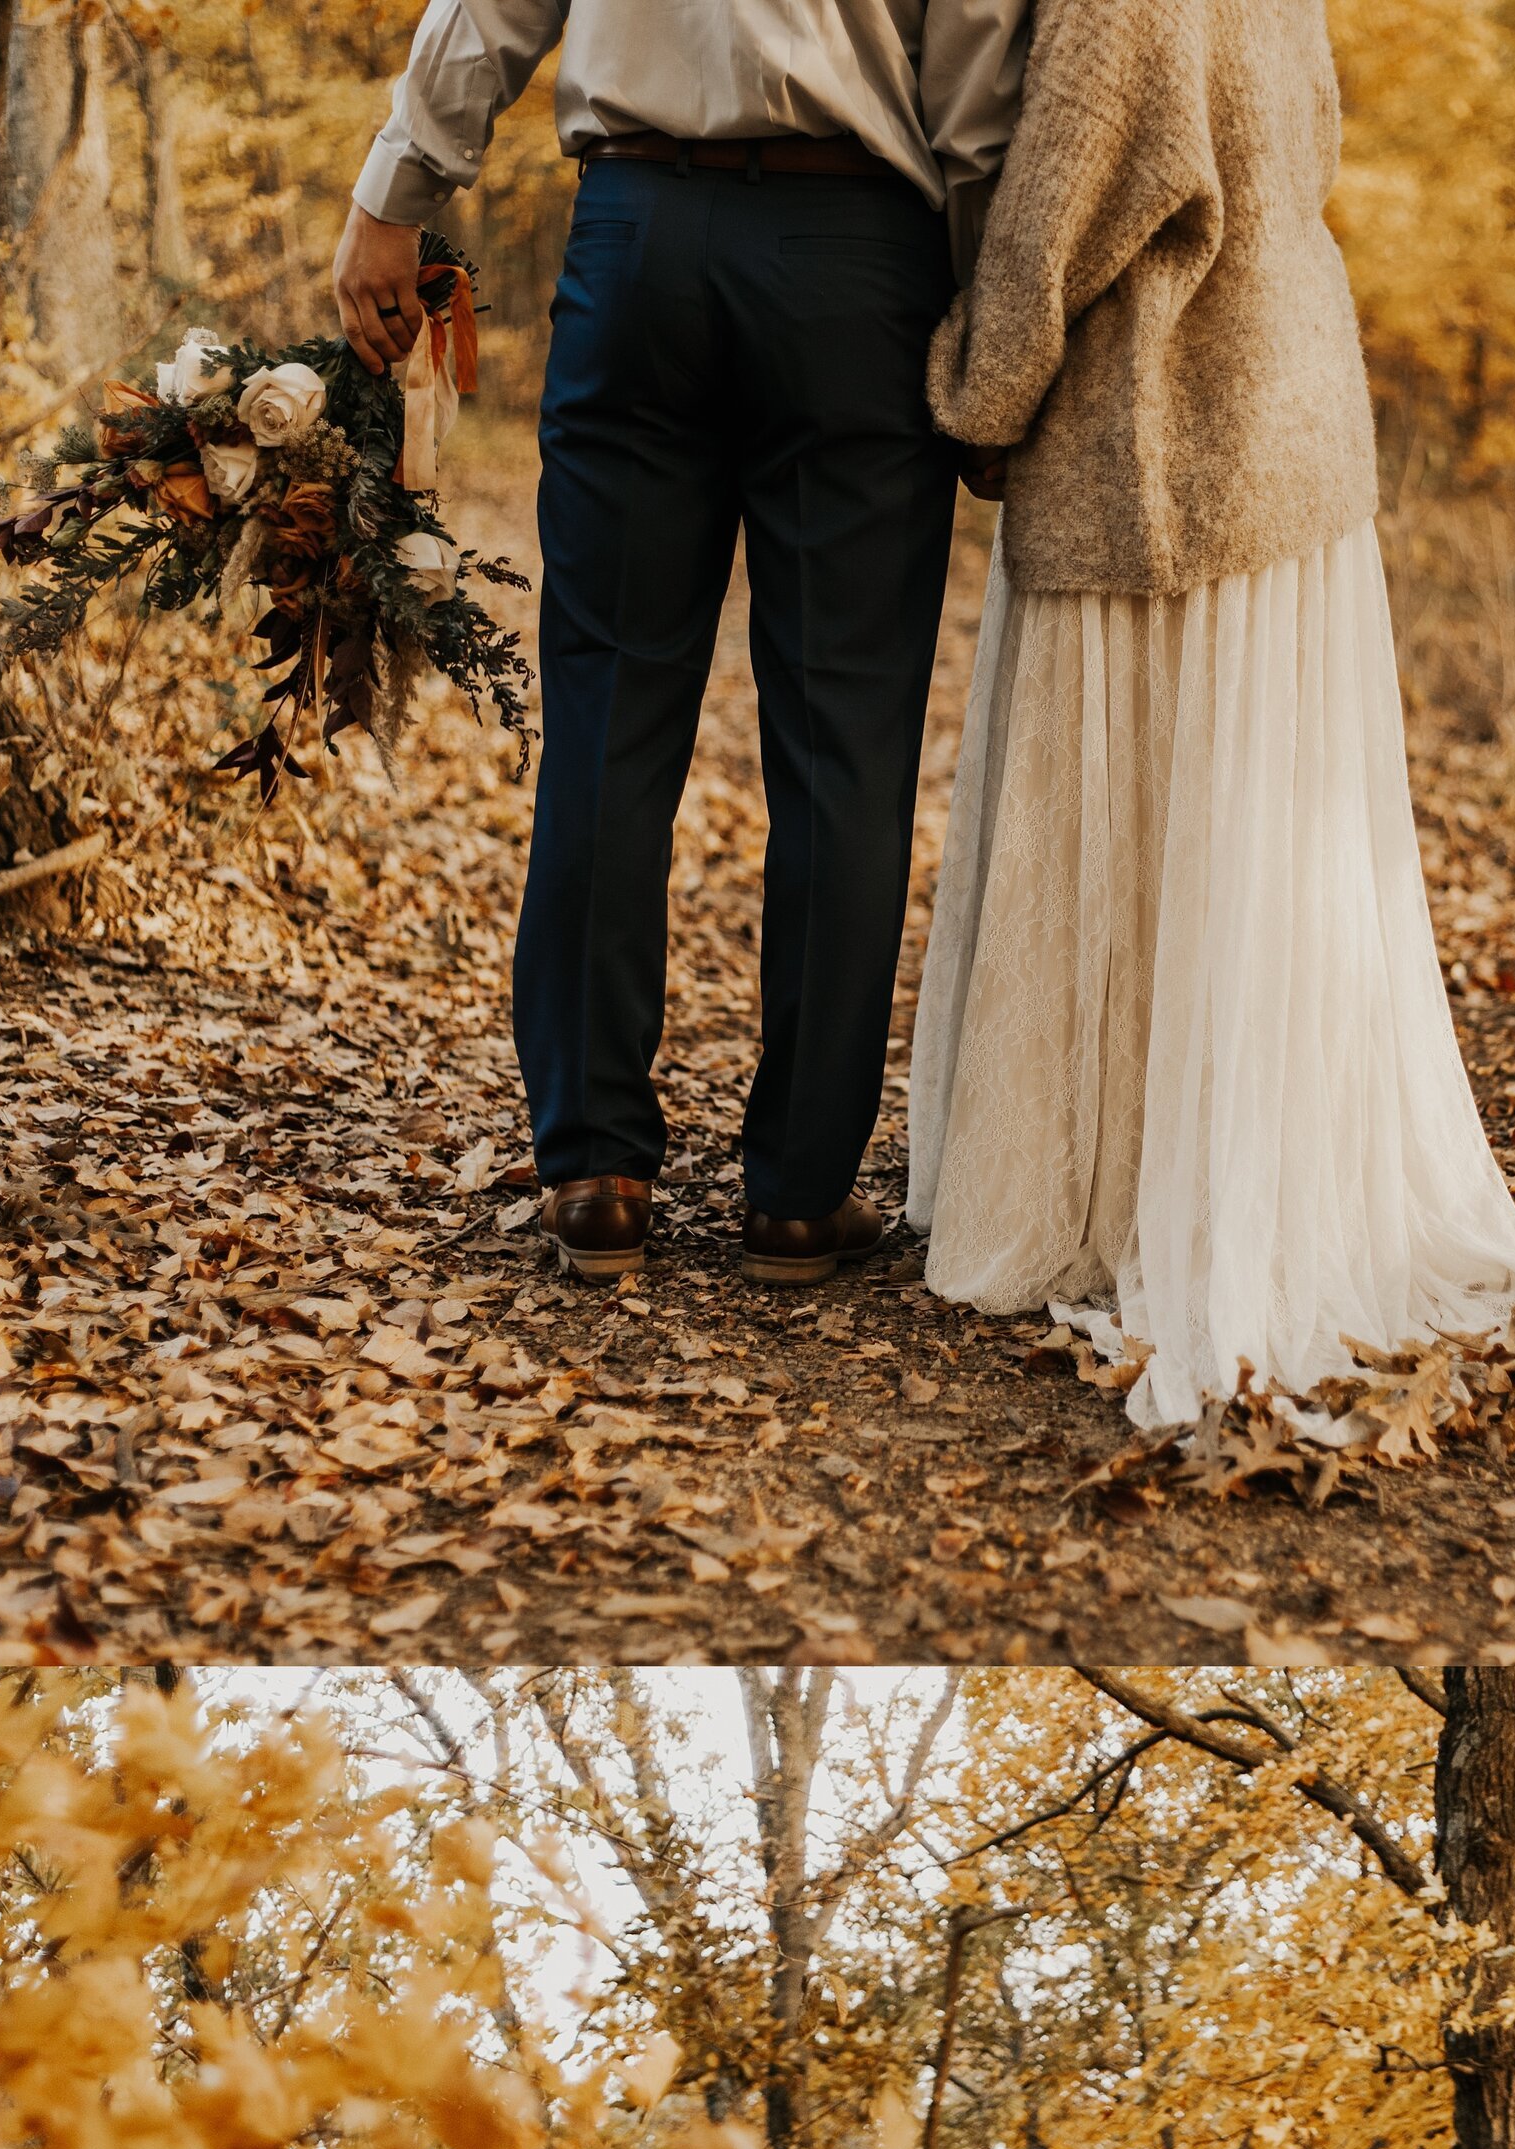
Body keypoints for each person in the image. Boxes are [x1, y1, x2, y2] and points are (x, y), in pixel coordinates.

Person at [905, 0, 1515, 1428]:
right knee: (1255, 843)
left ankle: (1114, 1191)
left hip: (1178, 432)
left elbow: (1066, 199)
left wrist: (976, 397)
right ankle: (1222, 1163)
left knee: (1141, 818)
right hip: (1291, 412)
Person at [332, 0, 1029, 1287]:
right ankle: (800, 1197)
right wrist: (991, 318)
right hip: (861, 263)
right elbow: (980, 69)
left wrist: (399, 184)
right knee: (847, 739)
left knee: (609, 709)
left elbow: (495, 7)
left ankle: (594, 1167)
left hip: (642, 235)